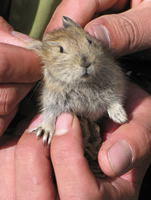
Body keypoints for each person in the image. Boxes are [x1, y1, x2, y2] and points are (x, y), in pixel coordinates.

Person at [0, 0, 151, 199]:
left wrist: (128, 91)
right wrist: (48, 124)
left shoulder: (105, 64)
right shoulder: (46, 75)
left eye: (88, 43)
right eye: (62, 51)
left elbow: (118, 81)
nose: (84, 61)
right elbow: (51, 106)